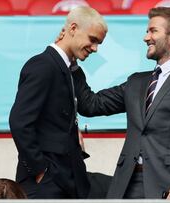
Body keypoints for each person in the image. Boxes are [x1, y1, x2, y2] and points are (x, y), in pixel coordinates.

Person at [73, 7, 170, 199]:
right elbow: (91, 104)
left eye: (153, 31)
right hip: (125, 186)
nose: (146, 37)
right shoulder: (136, 82)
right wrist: (71, 61)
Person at [9, 6, 108, 199]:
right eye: (92, 39)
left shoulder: (67, 68)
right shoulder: (43, 65)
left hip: (67, 179)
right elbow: (20, 122)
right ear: (72, 28)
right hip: (46, 182)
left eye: (99, 43)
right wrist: (40, 169)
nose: (95, 48)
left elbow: (88, 103)